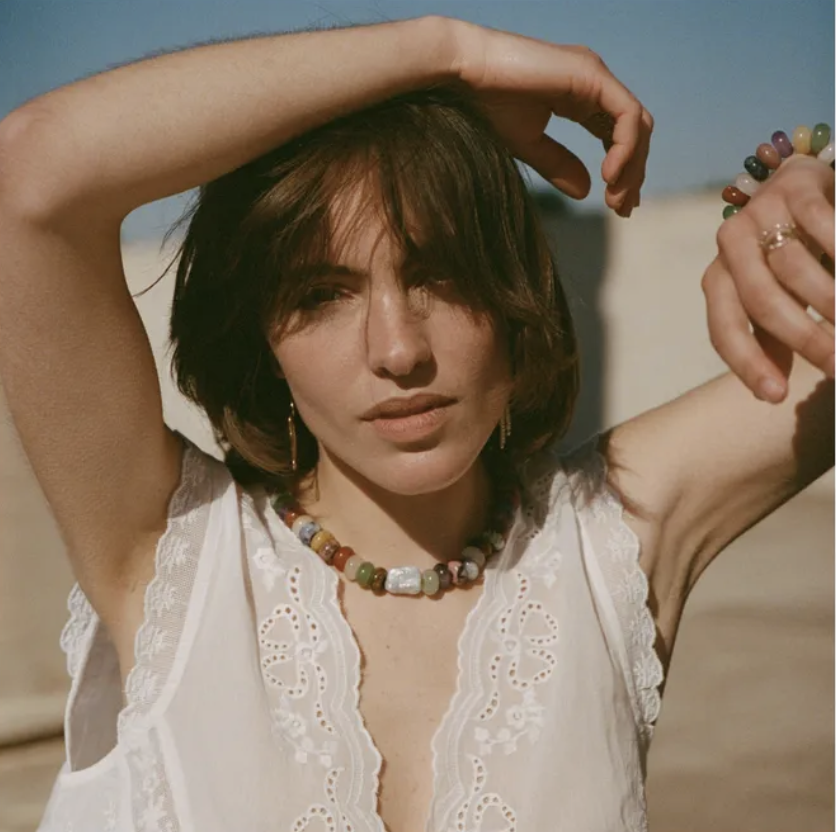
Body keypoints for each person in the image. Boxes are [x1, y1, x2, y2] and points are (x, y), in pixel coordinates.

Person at [0, 14, 831, 832]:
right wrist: (447, 53)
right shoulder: (169, 560)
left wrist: (812, 194)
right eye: (322, 295)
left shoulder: (605, 540)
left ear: (513, 294)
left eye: (440, 274)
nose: (398, 350)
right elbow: (34, 168)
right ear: (262, 342)